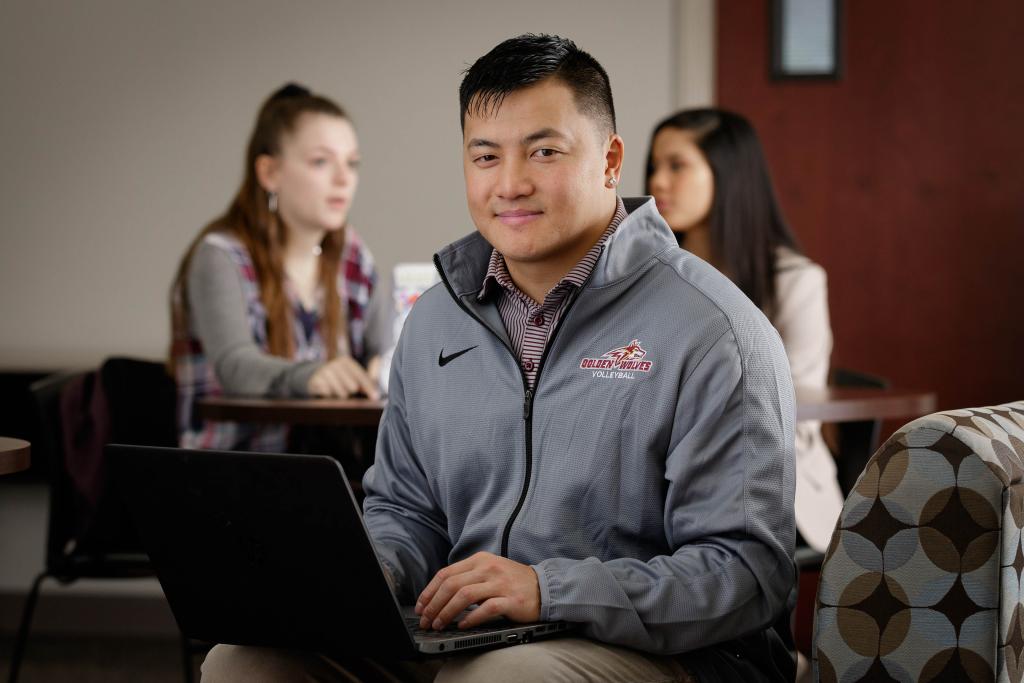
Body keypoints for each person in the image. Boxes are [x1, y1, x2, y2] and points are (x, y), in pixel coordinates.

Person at [202, 35, 796, 682]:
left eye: (544, 151)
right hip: (467, 637)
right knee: (244, 661)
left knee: (504, 679)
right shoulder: (434, 322)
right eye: (486, 156)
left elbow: (746, 572)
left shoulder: (714, 329)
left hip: (676, 654)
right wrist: (375, 568)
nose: (510, 183)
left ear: (610, 160)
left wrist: (549, 590)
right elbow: (407, 510)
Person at [645, 108, 843, 553]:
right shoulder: (645, 278)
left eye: (677, 166)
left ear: (729, 175)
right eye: (655, 167)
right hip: (658, 474)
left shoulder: (796, 280)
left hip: (761, 475)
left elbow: (789, 407)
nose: (658, 182)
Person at [170, 84, 392, 453]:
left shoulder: (352, 254)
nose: (343, 179)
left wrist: (380, 367)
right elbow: (235, 367)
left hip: (324, 469)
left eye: (352, 163)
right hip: (232, 474)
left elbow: (385, 349)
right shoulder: (220, 256)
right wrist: (312, 377)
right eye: (321, 162)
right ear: (270, 172)